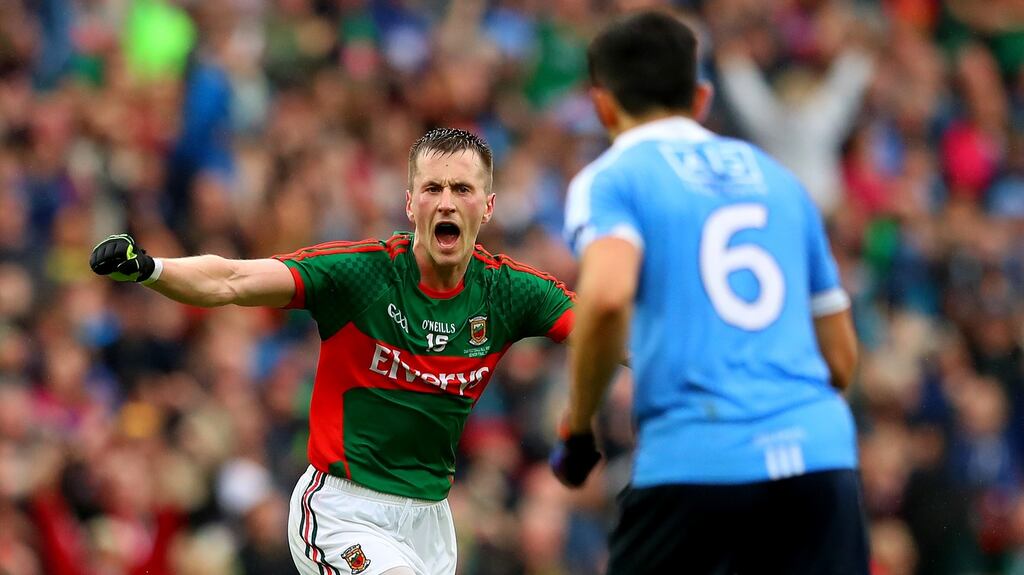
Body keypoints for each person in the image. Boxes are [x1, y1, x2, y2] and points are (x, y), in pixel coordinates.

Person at [90, 128, 576, 575]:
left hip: (431, 523)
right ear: (410, 204)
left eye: (462, 190)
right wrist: (150, 269)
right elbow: (232, 280)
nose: (446, 203)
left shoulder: (511, 292)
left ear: (487, 207)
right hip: (342, 512)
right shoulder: (361, 274)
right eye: (433, 189)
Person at [550, 10, 868, 574]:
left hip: (697, 462)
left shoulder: (613, 177)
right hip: (821, 463)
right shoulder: (780, 181)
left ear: (602, 105)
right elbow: (840, 361)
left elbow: (603, 297)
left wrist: (578, 428)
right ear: (701, 98)